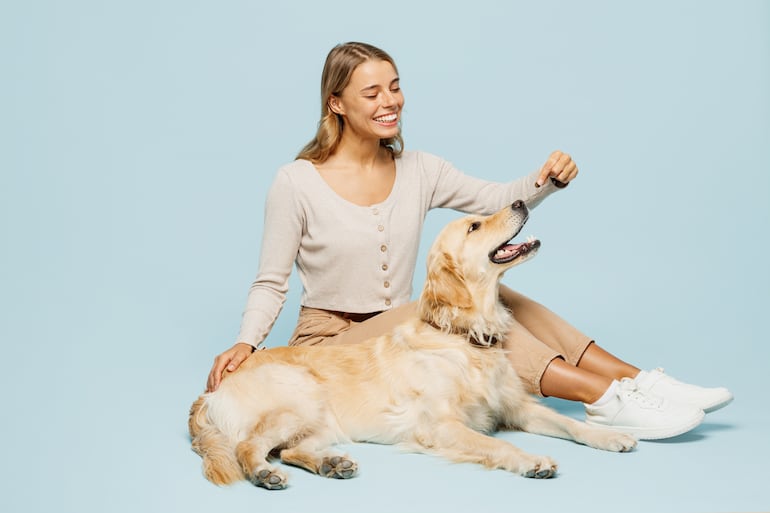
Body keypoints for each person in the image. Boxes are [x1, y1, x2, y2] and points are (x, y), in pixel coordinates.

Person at [205, 42, 732, 440]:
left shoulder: (419, 169)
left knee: (502, 297)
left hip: (405, 335)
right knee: (472, 319)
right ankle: (603, 398)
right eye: (372, 92)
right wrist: (247, 344)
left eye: (394, 85)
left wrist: (546, 180)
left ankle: (639, 382)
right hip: (335, 348)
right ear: (336, 104)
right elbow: (271, 281)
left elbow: (495, 199)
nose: (391, 101)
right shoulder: (295, 181)